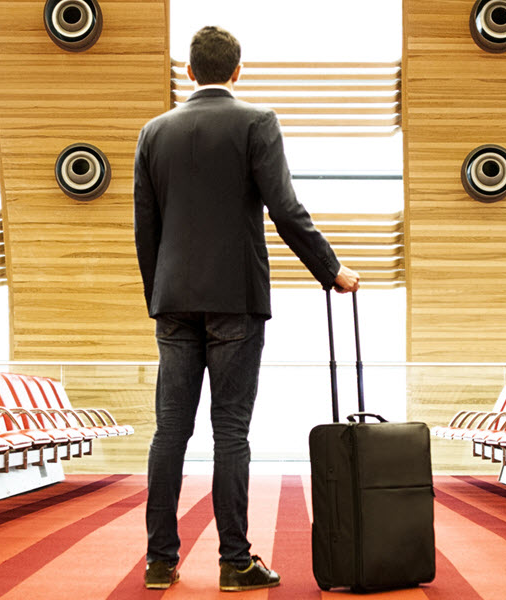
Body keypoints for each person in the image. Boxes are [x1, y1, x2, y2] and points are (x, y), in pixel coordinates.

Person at [133, 25, 361, 592]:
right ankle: (235, 562)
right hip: (235, 300)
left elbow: (146, 229)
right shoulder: (256, 122)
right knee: (230, 431)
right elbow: (284, 209)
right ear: (238, 72)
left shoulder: (153, 132)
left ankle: (160, 560)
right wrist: (331, 271)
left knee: (169, 433)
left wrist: (157, 297)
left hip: (173, 304)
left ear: (189, 72)